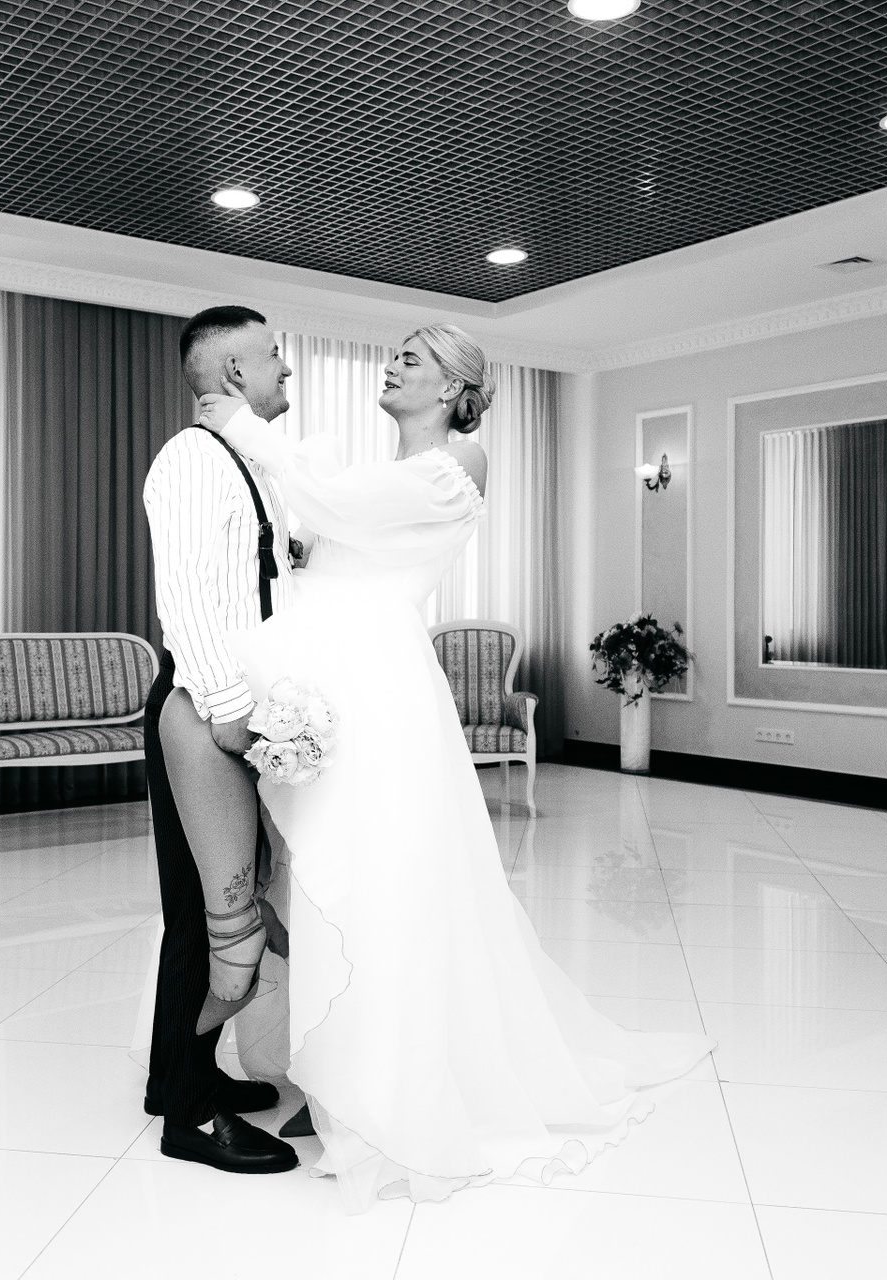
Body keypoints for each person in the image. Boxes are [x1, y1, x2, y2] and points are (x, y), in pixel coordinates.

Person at [193, 322, 714, 1213]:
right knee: (317, 882)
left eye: (413, 358)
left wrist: (245, 428)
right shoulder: (390, 470)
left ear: (451, 387)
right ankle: (330, 1069)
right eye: (393, 353)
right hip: (330, 676)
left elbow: (341, 506)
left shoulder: (458, 463)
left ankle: (380, 1085)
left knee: (378, 882)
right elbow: (341, 525)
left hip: (380, 692)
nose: (392, 365)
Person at [138, 305, 303, 1175]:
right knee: (208, 916)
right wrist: (231, 710)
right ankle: (189, 1119)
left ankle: (180, 1078)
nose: (286, 367)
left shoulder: (248, 464)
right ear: (234, 372)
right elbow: (188, 596)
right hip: (206, 707)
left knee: (205, 911)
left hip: (232, 707)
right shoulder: (192, 458)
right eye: (273, 354)